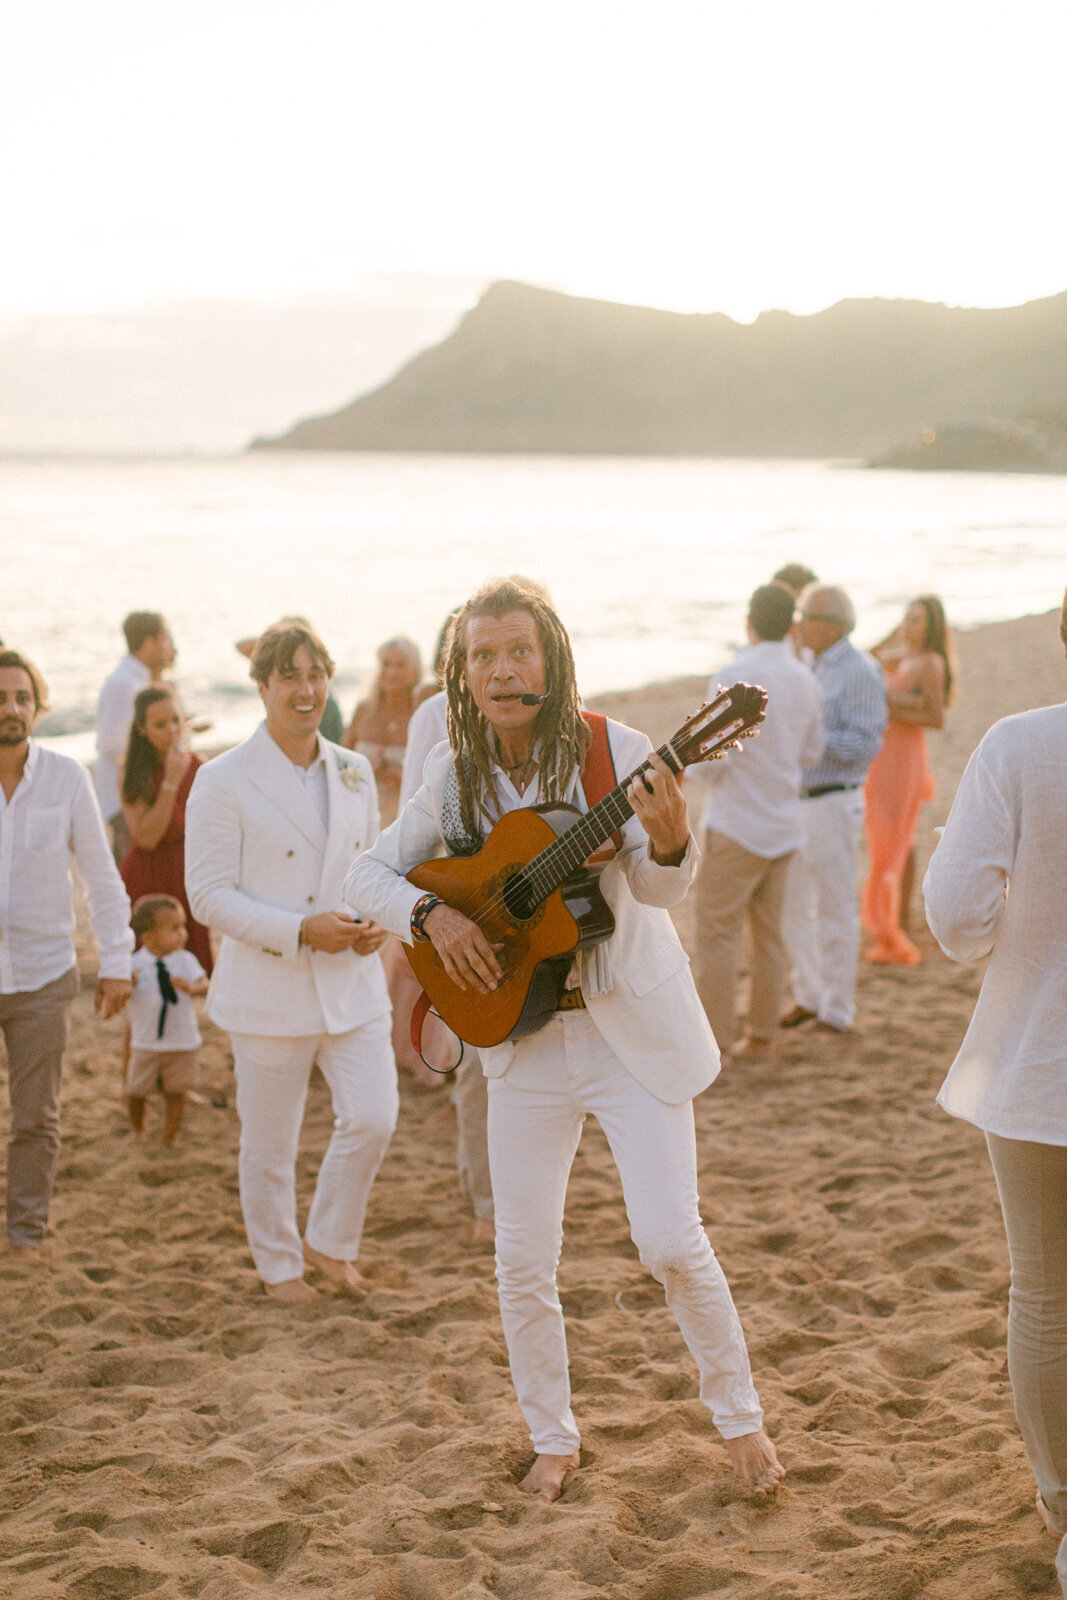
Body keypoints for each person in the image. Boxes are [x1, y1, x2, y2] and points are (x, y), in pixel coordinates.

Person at [345, 577, 784, 1503]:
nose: (501, 670)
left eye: (518, 651)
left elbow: (663, 893)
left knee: (669, 1240)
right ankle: (553, 1439)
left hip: (630, 1030)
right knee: (520, 1258)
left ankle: (741, 1422)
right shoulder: (453, 777)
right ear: (461, 676)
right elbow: (367, 873)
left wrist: (667, 842)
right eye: (481, 656)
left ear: (550, 657)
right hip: (525, 1042)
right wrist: (435, 917)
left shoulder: (614, 752)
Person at [923, 588, 1067, 1598]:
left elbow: (954, 914)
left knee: (1045, 1294)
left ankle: (1063, 1509)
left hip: (1037, 1064)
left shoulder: (1019, 748)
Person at [185, 621, 396, 1305]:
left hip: (351, 981)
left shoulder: (353, 768)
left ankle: (330, 1244)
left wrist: (375, 924)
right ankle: (279, 1266)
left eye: (316, 674)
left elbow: (368, 868)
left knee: (373, 1116)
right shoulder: (222, 779)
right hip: (269, 987)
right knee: (270, 1145)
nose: (305, 690)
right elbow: (208, 894)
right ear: (263, 685)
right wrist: (300, 930)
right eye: (290, 676)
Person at [0, 649, 133, 1258]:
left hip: (43, 976)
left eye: (22, 697)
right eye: (1, 698)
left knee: (36, 1117)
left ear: (37, 704)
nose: (11, 709)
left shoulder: (65, 776)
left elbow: (102, 878)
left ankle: (25, 1233)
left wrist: (116, 962)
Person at [689, 584, 823, 1064]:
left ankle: (716, 1043)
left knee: (717, 934)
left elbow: (707, 763)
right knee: (769, 936)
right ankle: (762, 1037)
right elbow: (812, 753)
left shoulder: (733, 675)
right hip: (784, 823)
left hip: (737, 824)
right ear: (791, 624)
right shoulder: (805, 678)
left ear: (749, 619)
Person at [780, 585, 887, 1035]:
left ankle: (838, 1010)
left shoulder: (860, 670)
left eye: (807, 615)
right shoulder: (807, 664)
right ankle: (810, 994)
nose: (798, 622)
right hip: (797, 803)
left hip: (834, 799)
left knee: (834, 906)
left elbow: (866, 744)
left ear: (835, 625)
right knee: (792, 907)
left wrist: (807, 743)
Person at [861, 596, 954, 965]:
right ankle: (898, 918)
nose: (910, 626)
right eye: (907, 618)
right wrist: (889, 637)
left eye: (916, 620)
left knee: (896, 835)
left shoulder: (930, 662)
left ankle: (896, 922)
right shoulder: (903, 657)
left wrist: (885, 705)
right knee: (893, 837)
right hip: (884, 757)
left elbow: (936, 717)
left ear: (931, 625)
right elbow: (865, 661)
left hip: (904, 758)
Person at [119, 686, 213, 974]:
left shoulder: (200, 766)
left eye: (176, 720)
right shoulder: (132, 772)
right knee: (145, 974)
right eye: (160, 724)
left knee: (190, 972)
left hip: (187, 874)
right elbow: (146, 837)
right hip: (147, 876)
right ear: (142, 729)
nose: (172, 730)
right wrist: (171, 779)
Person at [125, 895, 208, 1146]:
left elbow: (205, 984)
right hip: (145, 1042)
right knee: (135, 1092)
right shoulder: (134, 964)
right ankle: (138, 1129)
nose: (183, 933)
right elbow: (120, 993)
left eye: (183, 926)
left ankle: (168, 1137)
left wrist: (192, 988)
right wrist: (129, 983)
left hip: (181, 1041)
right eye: (174, 928)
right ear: (148, 937)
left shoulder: (186, 960)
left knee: (176, 1092)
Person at [94, 612, 175, 863]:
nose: (170, 647)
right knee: (134, 872)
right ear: (150, 642)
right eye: (166, 639)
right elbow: (110, 742)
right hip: (127, 798)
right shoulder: (124, 683)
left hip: (142, 794)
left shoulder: (143, 679)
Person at [342, 635, 433, 826]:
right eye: (386, 664)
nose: (391, 672)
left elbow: (439, 775)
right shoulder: (364, 710)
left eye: (400, 665)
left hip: (408, 815)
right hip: (361, 813)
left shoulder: (422, 714)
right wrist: (364, 768)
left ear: (415, 671)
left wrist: (406, 777)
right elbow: (338, 768)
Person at [235, 617, 346, 744]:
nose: (307, 691)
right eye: (290, 677)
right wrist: (274, 643)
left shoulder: (323, 700)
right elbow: (240, 646)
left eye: (314, 676)